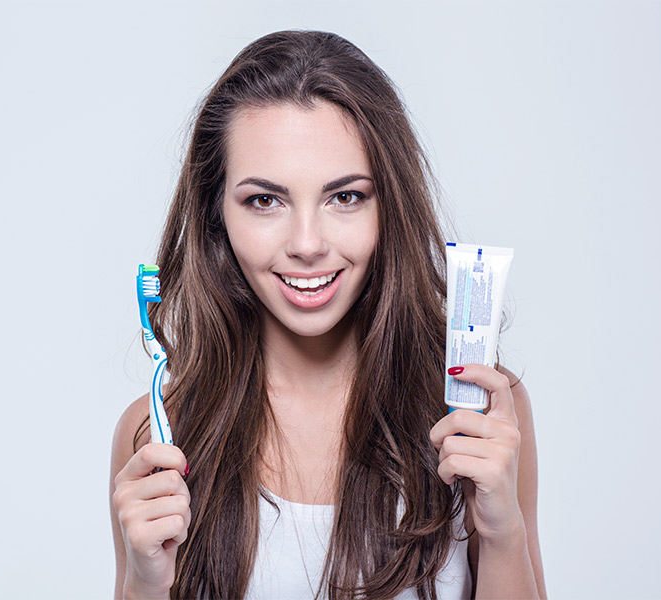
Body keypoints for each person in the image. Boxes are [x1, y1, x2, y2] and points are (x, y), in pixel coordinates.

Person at [110, 30, 546, 600]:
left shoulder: (479, 413)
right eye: (264, 200)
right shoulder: (157, 432)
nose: (307, 244)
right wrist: (146, 581)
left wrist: (502, 531)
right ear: (218, 216)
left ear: (389, 204)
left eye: (345, 197)